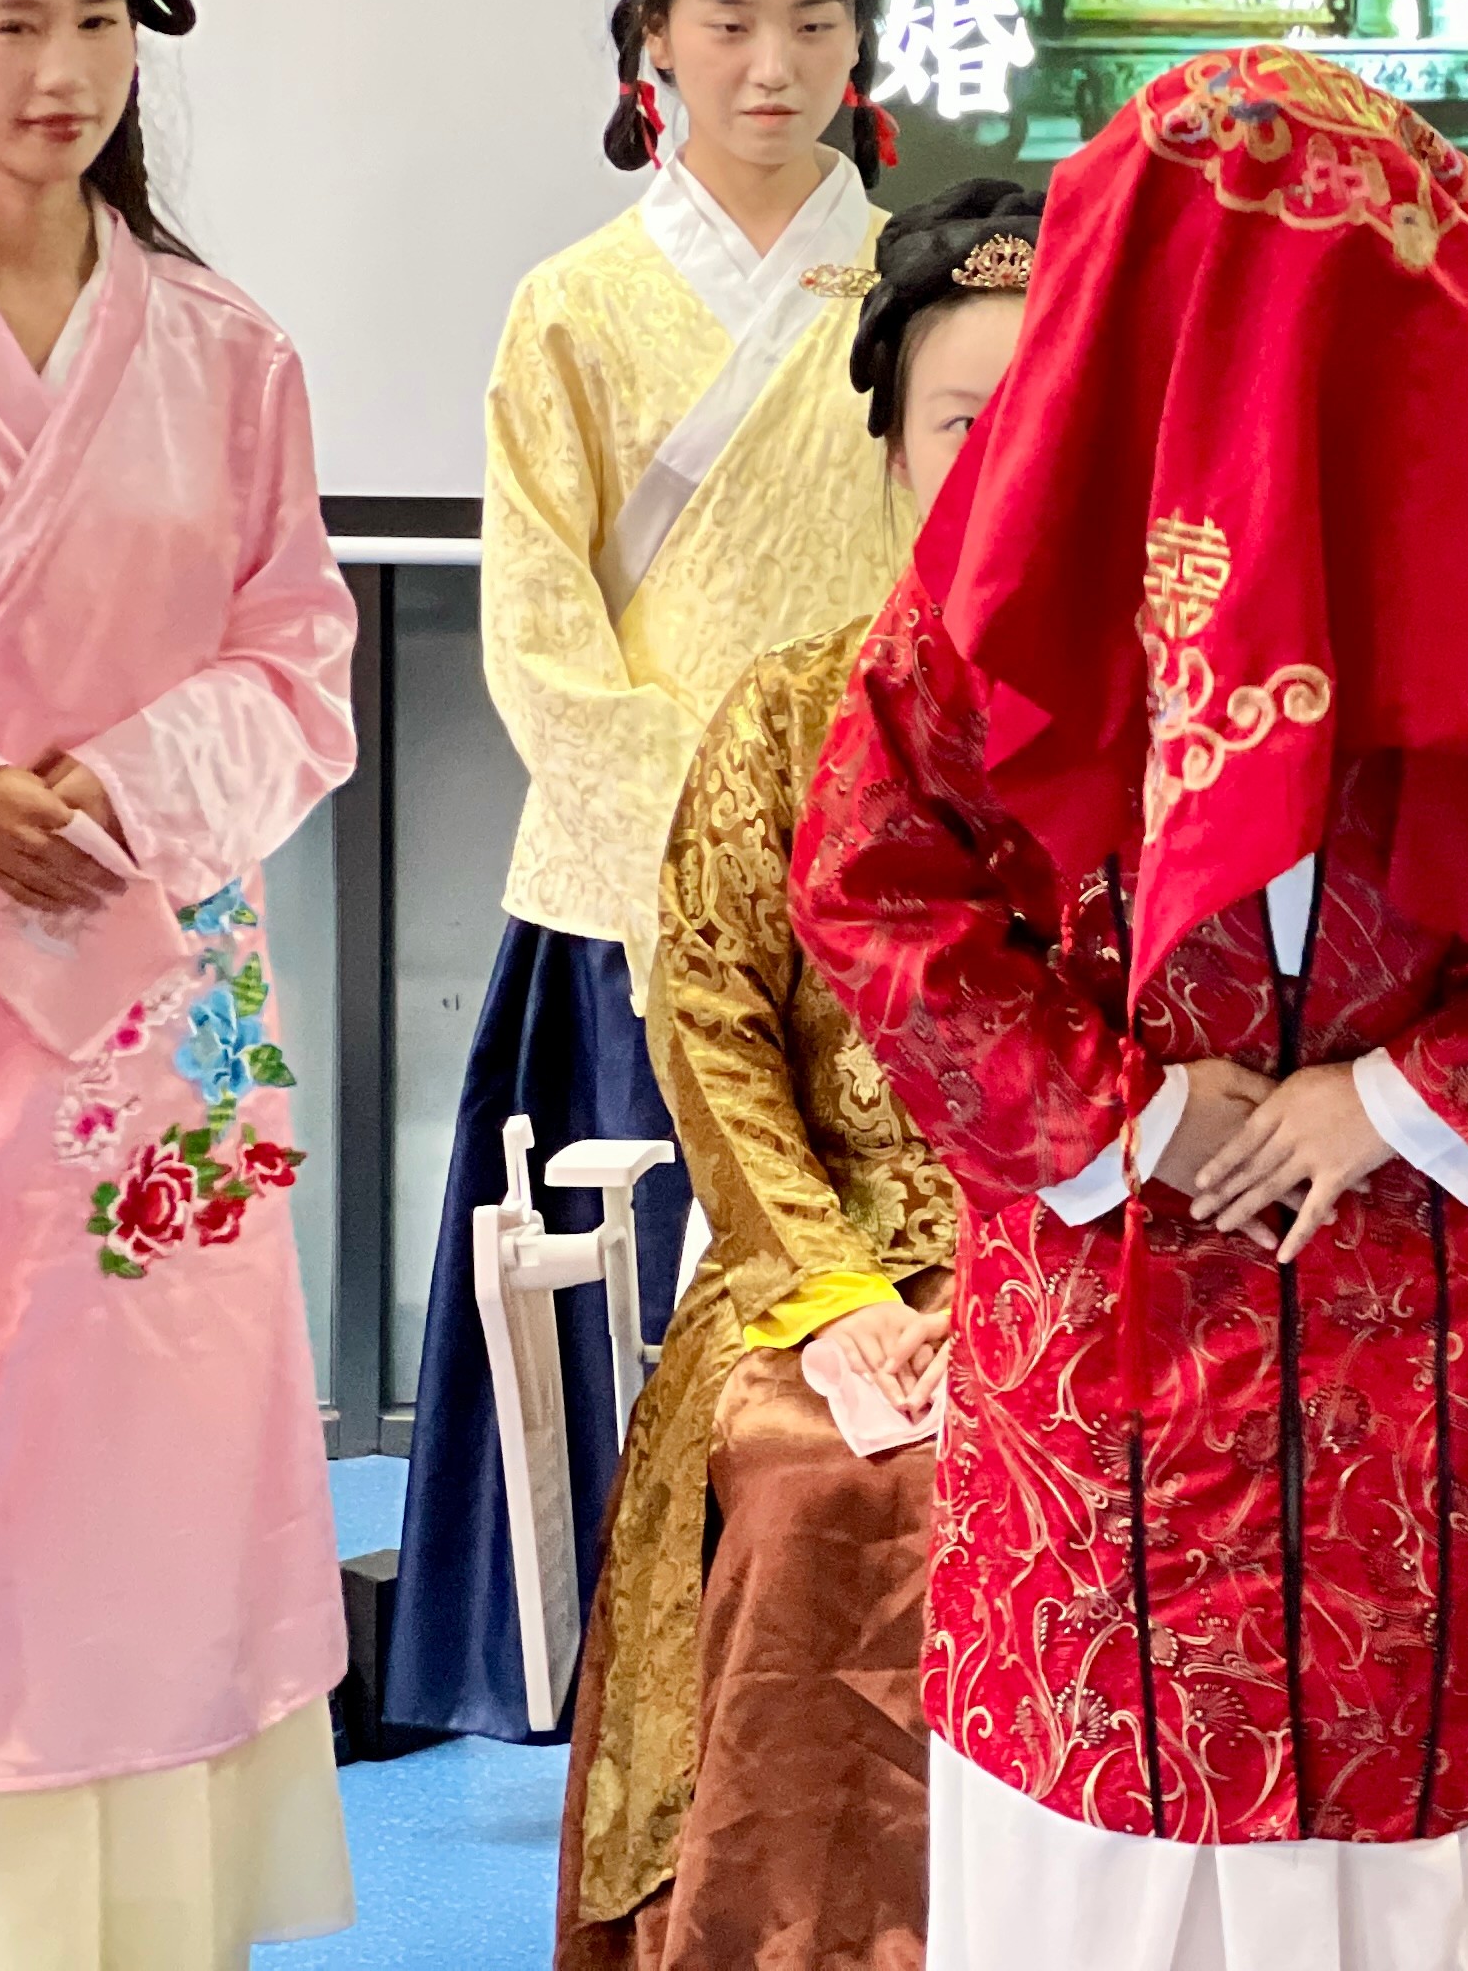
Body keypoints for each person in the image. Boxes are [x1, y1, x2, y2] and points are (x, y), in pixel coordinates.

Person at [789, 44, 1468, 1971]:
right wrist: (1128, 1118)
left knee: (1404, 1874)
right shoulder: (1015, 570)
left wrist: (1399, 1099)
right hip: (1105, 1415)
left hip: (1418, 1403)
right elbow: (872, 885)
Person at [390, 0, 912, 1741]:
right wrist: (712, 853)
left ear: (861, 46)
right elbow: (539, 628)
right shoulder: (574, 306)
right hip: (638, 902)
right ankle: (630, 1688)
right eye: (730, 24)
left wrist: (888, 826)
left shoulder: (923, 294)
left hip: (900, 885)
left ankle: (854, 1688)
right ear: (654, 44)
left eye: (815, 25)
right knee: (641, 1305)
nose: (774, 66)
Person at [0, 0, 360, 1967]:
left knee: (143, 1470)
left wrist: (113, 789)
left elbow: (299, 661)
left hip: (146, 996)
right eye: (13, 23)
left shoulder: (225, 347)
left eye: (96, 22)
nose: (61, 72)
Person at [554, 179, 1042, 1971]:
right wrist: (834, 1294)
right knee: (820, 1480)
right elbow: (712, 1017)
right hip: (822, 1262)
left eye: (1051, 417)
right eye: (963, 422)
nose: (1007, 461)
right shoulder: (787, 715)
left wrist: (1030, 1280)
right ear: (895, 448)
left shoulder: (1187, 735)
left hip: (1091, 1261)